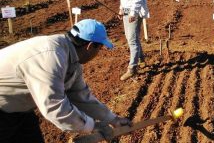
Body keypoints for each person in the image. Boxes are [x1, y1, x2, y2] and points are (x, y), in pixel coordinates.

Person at [0, 19, 131, 142]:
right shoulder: (50, 57)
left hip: (19, 109)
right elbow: (54, 106)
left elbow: (80, 96)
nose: (98, 53)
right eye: (100, 48)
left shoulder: (71, 60)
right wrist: (93, 126)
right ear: (90, 46)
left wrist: (112, 119)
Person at [109, 0, 149, 81]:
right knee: (132, 38)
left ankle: (132, 68)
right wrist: (121, 9)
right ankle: (142, 60)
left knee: (131, 40)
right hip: (126, 10)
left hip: (133, 11)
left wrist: (133, 12)